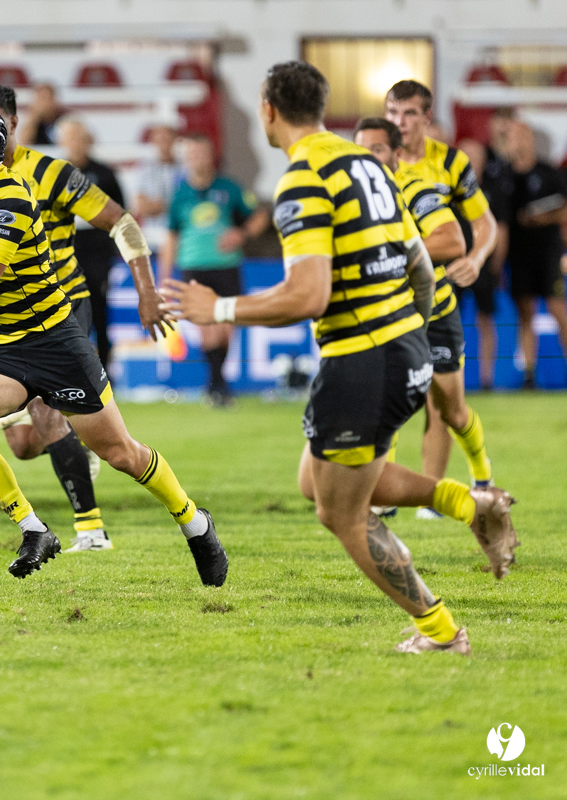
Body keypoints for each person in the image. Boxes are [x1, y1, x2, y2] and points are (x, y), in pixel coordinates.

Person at [166, 61, 514, 656]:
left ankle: (441, 633)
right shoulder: (370, 166)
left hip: (361, 360)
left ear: (268, 110)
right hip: (405, 344)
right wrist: (411, 331)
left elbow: (308, 296)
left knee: (342, 514)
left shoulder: (304, 179)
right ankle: (470, 503)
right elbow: (421, 265)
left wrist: (217, 310)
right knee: (315, 479)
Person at [0, 103, 226, 584]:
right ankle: (34, 530)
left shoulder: (10, 198)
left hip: (54, 343)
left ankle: (195, 523)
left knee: (121, 454)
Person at [0, 84, 175, 554]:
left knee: (46, 414)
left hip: (58, 310)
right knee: (21, 442)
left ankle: (91, 530)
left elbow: (120, 222)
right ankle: (78, 441)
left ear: (16, 126)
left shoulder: (51, 174)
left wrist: (146, 289)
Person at [385, 80, 499, 507]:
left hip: (440, 296)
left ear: (426, 118)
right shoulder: (379, 165)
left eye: (409, 114)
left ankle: (447, 487)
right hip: (393, 302)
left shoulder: (448, 164)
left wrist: (478, 256)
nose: (399, 123)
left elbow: (481, 225)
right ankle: (388, 495)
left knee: (446, 407)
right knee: (386, 392)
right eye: (392, 113)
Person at [159, 132, 268, 405]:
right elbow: (171, 237)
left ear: (211, 156)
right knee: (206, 325)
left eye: (202, 153)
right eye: (192, 154)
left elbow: (260, 216)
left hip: (226, 266)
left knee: (226, 325)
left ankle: (216, 383)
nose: (197, 159)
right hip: (194, 267)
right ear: (186, 159)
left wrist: (241, 234)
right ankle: (218, 385)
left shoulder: (229, 188)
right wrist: (164, 276)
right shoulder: (180, 194)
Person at [499, 122, 567, 388]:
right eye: (512, 137)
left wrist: (538, 218)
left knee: (556, 308)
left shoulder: (549, 173)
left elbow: (564, 209)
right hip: (518, 255)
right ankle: (528, 375)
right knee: (524, 313)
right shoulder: (503, 176)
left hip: (547, 254)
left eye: (521, 136)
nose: (517, 142)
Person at [57, 117, 125, 369]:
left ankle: (105, 373)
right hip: (62, 256)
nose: (75, 143)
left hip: (97, 256)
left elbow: (120, 215)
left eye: (79, 137)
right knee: (65, 316)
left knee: (99, 314)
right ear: (62, 142)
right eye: (70, 138)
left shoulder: (105, 174)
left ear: (88, 140)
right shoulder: (53, 175)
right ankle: (72, 374)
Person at [456, 138, 509, 392]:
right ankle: (449, 382)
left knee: (485, 320)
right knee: (447, 323)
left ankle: (487, 380)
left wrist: (496, 264)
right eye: (466, 156)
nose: (471, 162)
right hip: (452, 265)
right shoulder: (446, 189)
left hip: (483, 265)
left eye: (475, 157)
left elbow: (500, 229)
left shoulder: (492, 189)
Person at [134, 122, 180, 223]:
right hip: (152, 230)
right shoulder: (145, 169)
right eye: (159, 138)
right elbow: (141, 207)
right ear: (153, 141)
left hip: (178, 229)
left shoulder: (184, 168)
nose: (163, 141)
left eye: (166, 137)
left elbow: (186, 203)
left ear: (174, 139)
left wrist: (158, 206)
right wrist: (171, 204)